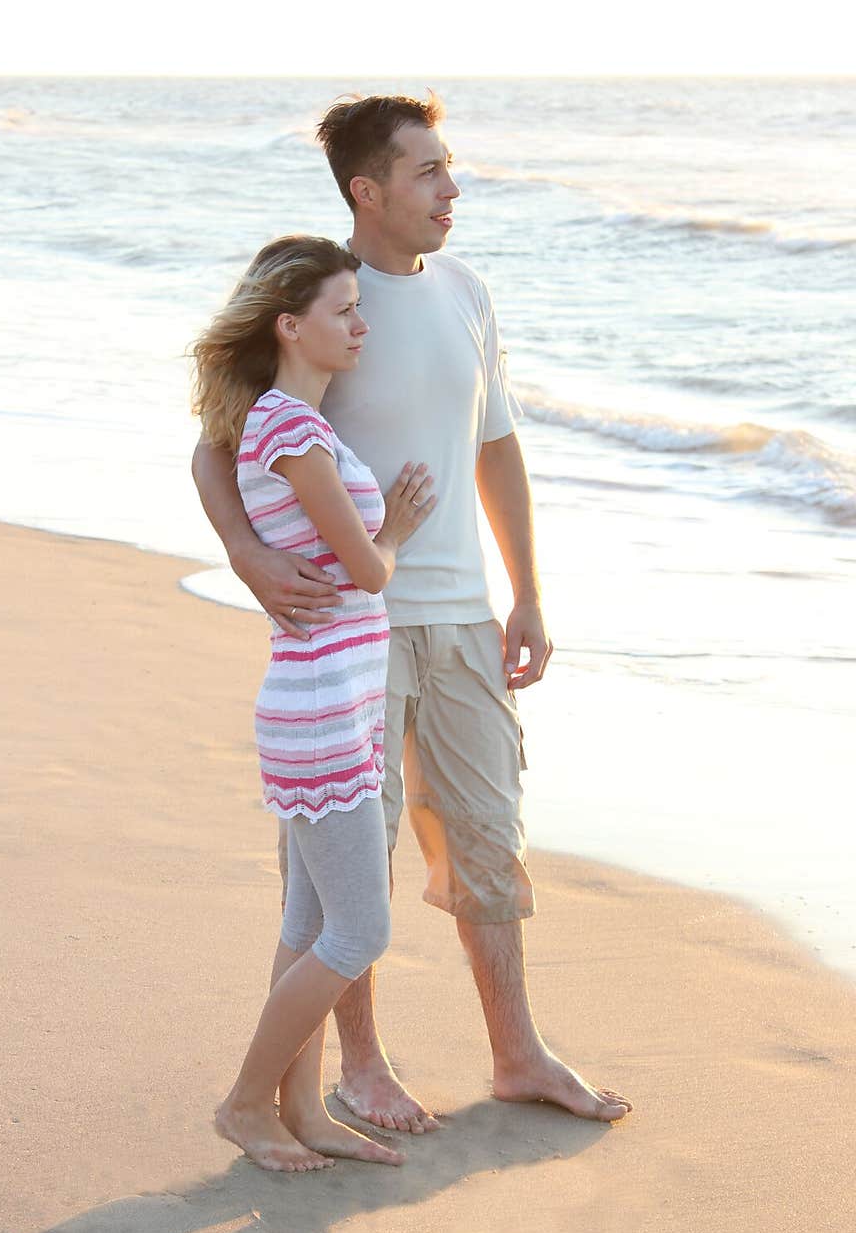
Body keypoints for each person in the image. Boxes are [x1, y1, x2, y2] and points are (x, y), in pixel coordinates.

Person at [193, 95, 632, 1128]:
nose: (451, 188)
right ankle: (362, 1066)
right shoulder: (321, 303)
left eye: (449, 166)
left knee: (486, 833)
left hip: (464, 618)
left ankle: (518, 1054)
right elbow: (219, 443)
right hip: (349, 631)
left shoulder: (468, 291)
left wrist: (526, 591)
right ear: (368, 190)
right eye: (428, 170)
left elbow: (495, 445)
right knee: (361, 857)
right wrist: (247, 552)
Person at [191, 234, 437, 1171]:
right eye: (343, 310)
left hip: (328, 698)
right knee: (360, 927)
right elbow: (368, 572)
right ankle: (247, 1102)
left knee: (306, 924)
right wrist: (400, 531)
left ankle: (300, 1111)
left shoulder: (288, 427)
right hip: (322, 708)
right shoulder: (291, 433)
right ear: (291, 327)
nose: (360, 323)